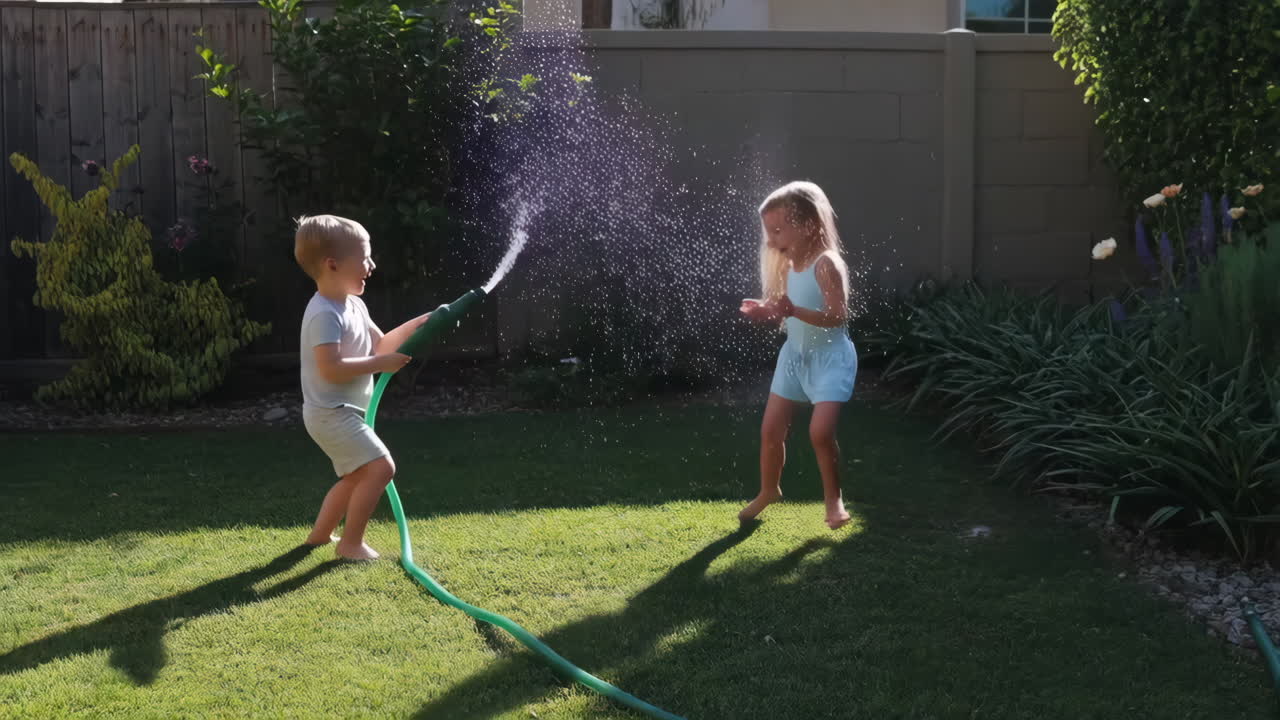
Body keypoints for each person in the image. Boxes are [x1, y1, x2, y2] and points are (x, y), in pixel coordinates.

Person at [293, 215, 430, 560]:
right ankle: (350, 545)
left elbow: (382, 344)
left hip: (344, 412)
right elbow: (332, 369)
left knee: (356, 476)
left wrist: (424, 321)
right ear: (333, 264)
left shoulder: (354, 304)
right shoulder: (325, 313)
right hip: (330, 414)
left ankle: (320, 536)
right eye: (365, 257)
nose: (371, 265)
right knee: (381, 468)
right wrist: (378, 365)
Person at [739, 182, 857, 530]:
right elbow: (786, 308)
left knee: (820, 433)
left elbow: (838, 317)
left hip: (830, 357)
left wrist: (792, 310)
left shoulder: (826, 264)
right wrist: (766, 309)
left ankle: (834, 502)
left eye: (777, 230)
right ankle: (768, 489)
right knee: (771, 431)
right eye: (768, 232)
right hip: (794, 356)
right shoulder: (789, 264)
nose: (771, 240)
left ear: (808, 226)